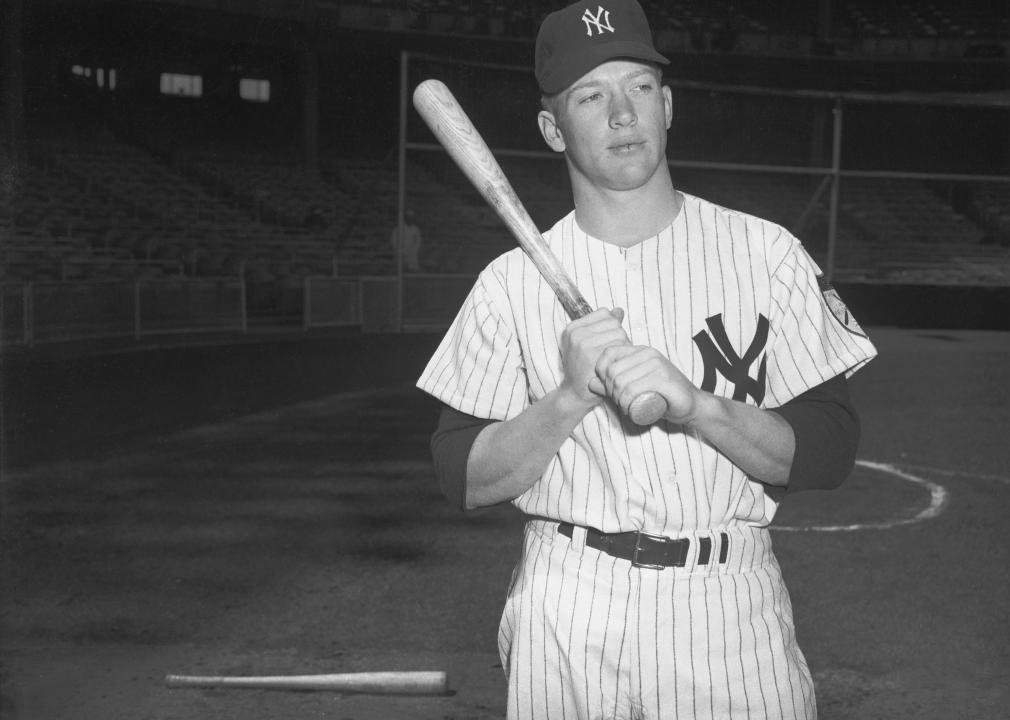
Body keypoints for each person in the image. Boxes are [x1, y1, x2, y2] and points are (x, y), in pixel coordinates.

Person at [417, 1, 877, 718]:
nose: (622, 114)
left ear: (667, 106)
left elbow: (829, 450)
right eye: (591, 96)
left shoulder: (767, 254)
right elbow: (462, 477)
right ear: (552, 128)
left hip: (727, 606)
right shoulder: (507, 285)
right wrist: (568, 397)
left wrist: (702, 408)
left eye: (638, 87)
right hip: (566, 609)